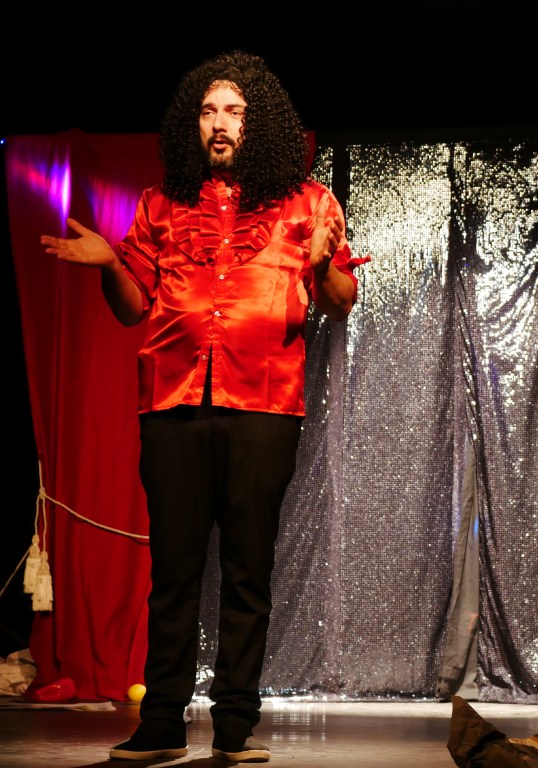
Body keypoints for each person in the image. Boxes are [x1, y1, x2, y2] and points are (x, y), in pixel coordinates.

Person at [41, 50, 368, 763]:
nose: (219, 123)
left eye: (234, 112)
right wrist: (110, 265)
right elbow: (131, 308)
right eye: (209, 111)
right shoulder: (160, 203)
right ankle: (160, 723)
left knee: (247, 573)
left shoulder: (309, 203)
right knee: (174, 572)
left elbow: (342, 302)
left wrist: (320, 264)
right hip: (173, 401)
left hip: (264, 406)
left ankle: (234, 728)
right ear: (193, 123)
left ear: (260, 123)